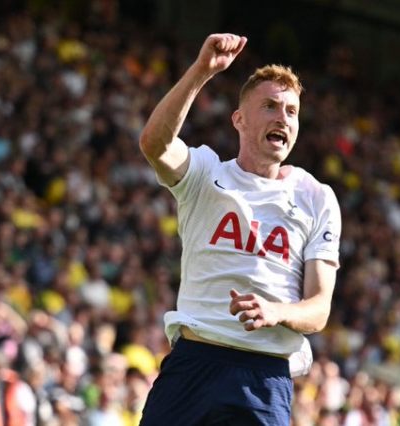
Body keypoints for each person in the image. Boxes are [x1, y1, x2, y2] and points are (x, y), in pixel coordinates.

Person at [138, 33, 342, 425]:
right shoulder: (204, 172)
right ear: (240, 120)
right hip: (195, 364)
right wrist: (202, 72)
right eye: (270, 106)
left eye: (292, 111)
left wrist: (276, 311)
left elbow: (318, 311)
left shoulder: (316, 197)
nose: (283, 117)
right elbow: (155, 144)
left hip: (263, 379)